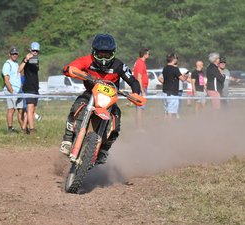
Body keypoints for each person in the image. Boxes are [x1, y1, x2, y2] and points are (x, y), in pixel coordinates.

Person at [59, 33, 141, 164]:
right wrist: (69, 70)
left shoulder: (119, 65)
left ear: (113, 53)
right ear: (94, 52)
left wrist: (136, 93)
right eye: (100, 54)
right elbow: (70, 68)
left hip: (109, 99)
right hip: (90, 94)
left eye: (107, 55)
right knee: (77, 105)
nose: (103, 58)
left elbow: (133, 81)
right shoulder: (87, 60)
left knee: (116, 120)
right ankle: (68, 139)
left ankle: (103, 149)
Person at [19, 42, 40, 134]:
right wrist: (25, 60)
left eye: (36, 50)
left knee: (32, 109)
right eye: (33, 50)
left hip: (35, 88)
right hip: (29, 87)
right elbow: (19, 70)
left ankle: (23, 128)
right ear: (30, 50)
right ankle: (32, 129)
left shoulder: (36, 60)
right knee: (30, 108)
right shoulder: (26, 58)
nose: (35, 52)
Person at [2, 47, 23, 133]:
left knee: (21, 109)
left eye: (16, 54)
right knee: (11, 109)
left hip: (18, 91)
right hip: (11, 90)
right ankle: (10, 128)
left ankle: (23, 128)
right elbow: (6, 79)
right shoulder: (7, 64)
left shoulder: (17, 63)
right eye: (13, 54)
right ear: (9, 54)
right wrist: (11, 91)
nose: (14, 55)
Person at [162, 53, 189, 119]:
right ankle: (170, 127)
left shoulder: (165, 68)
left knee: (166, 111)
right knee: (171, 113)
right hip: (172, 93)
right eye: (176, 58)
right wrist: (186, 76)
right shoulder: (175, 69)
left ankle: (165, 127)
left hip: (164, 92)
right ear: (173, 59)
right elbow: (182, 79)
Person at [133, 48, 149, 129]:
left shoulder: (139, 62)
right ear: (145, 54)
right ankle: (140, 128)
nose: (148, 55)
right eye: (148, 53)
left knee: (140, 109)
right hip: (140, 89)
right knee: (140, 109)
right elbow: (139, 77)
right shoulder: (140, 63)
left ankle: (140, 126)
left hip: (140, 88)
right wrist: (142, 91)